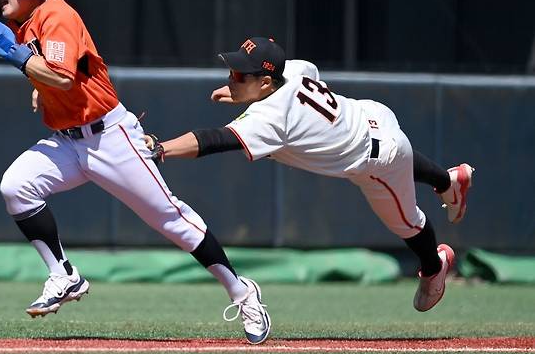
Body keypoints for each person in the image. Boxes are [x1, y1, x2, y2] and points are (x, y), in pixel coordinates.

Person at [0, 0, 270, 344]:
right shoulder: (27, 24)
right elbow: (59, 78)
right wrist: (36, 85)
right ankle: (63, 275)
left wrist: (18, 59)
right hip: (68, 141)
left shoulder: (54, 14)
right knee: (16, 186)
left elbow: (60, 78)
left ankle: (242, 291)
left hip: (110, 138)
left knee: (171, 220)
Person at [146, 37, 474, 312]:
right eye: (232, 70)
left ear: (264, 83)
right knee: (401, 165)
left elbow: (213, 140)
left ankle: (435, 268)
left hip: (377, 161)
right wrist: (242, 90)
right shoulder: (293, 69)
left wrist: (161, 148)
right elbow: (300, 74)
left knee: (407, 222)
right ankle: (448, 181)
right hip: (370, 114)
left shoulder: (270, 118)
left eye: (240, 74)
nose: (233, 77)